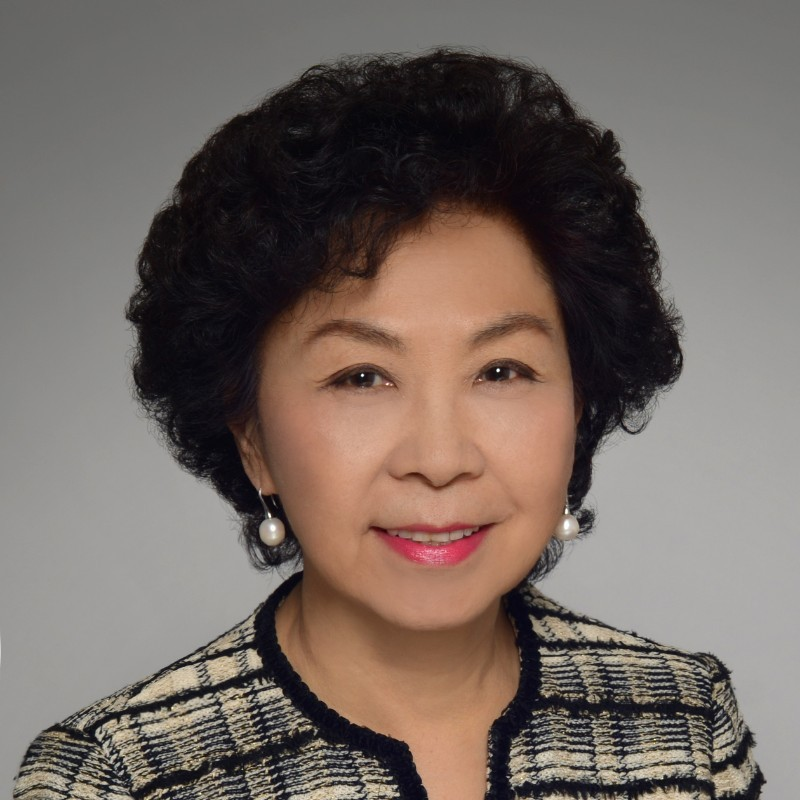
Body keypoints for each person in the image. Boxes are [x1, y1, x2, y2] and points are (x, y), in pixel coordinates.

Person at [14, 49, 763, 800]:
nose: (439, 459)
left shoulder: (685, 720)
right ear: (252, 439)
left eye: (501, 371)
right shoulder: (113, 776)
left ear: (579, 404)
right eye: (362, 377)